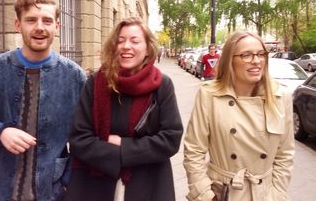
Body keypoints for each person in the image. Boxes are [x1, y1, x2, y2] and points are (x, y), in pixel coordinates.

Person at [0, 0, 86, 201]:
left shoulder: (75, 76)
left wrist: (69, 180)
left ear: (57, 27)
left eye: (47, 21)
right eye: (31, 20)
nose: (40, 27)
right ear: (18, 24)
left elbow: (84, 134)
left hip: (52, 189)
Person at [64, 17, 183, 201]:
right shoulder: (95, 83)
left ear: (147, 49)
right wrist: (120, 155)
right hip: (95, 186)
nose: (126, 46)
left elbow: (171, 138)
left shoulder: (162, 85)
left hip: (148, 183)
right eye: (120, 41)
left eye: (135, 41)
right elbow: (79, 138)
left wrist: (123, 146)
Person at [183, 31, 294, 201]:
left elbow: (284, 154)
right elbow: (194, 151)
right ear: (230, 61)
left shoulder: (280, 96)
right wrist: (205, 195)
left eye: (260, 54)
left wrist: (277, 194)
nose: (256, 61)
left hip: (264, 195)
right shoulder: (209, 95)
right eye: (246, 55)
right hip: (223, 193)